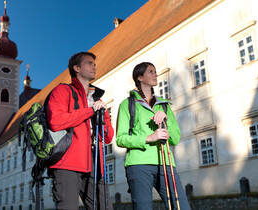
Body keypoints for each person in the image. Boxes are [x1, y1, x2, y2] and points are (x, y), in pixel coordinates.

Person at [116, 62, 191, 210]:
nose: (155, 74)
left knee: (181, 207)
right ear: (140, 77)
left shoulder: (164, 105)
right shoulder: (127, 104)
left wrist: (165, 122)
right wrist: (149, 138)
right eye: (151, 72)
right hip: (138, 164)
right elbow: (120, 139)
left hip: (166, 163)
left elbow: (175, 138)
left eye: (155, 71)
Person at [47, 51, 114, 210]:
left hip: (92, 162)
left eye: (94, 64)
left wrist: (102, 116)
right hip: (67, 162)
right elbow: (55, 122)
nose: (94, 66)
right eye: (89, 63)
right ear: (76, 68)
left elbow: (108, 137)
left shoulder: (97, 99)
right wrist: (89, 111)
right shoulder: (62, 91)